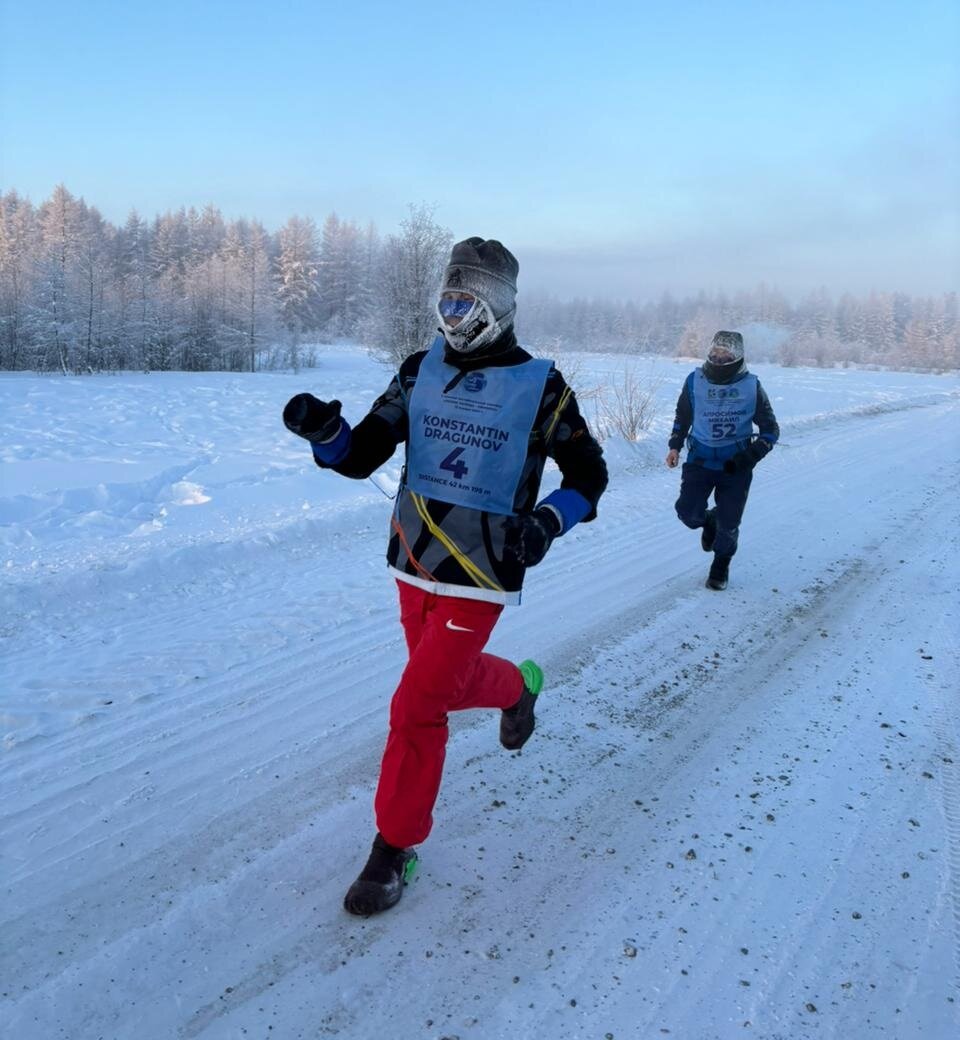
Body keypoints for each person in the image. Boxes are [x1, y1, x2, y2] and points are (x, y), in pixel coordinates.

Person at [283, 237, 608, 915]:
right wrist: (326, 433)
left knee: (415, 706)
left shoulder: (541, 386)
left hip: (481, 574)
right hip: (414, 562)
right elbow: (363, 451)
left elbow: (589, 475)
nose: (451, 316)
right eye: (446, 300)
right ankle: (516, 688)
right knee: (441, 687)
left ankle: (392, 849)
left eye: (465, 303)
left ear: (496, 308)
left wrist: (547, 523)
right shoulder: (418, 370)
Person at [665, 330, 779, 590]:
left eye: (725, 353)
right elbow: (682, 417)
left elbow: (771, 430)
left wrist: (751, 455)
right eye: (715, 352)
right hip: (700, 461)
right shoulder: (695, 381)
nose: (718, 357)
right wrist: (674, 446)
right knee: (687, 513)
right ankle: (708, 520)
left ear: (737, 356)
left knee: (729, 524)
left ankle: (721, 565)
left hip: (735, 467)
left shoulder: (752, 386)